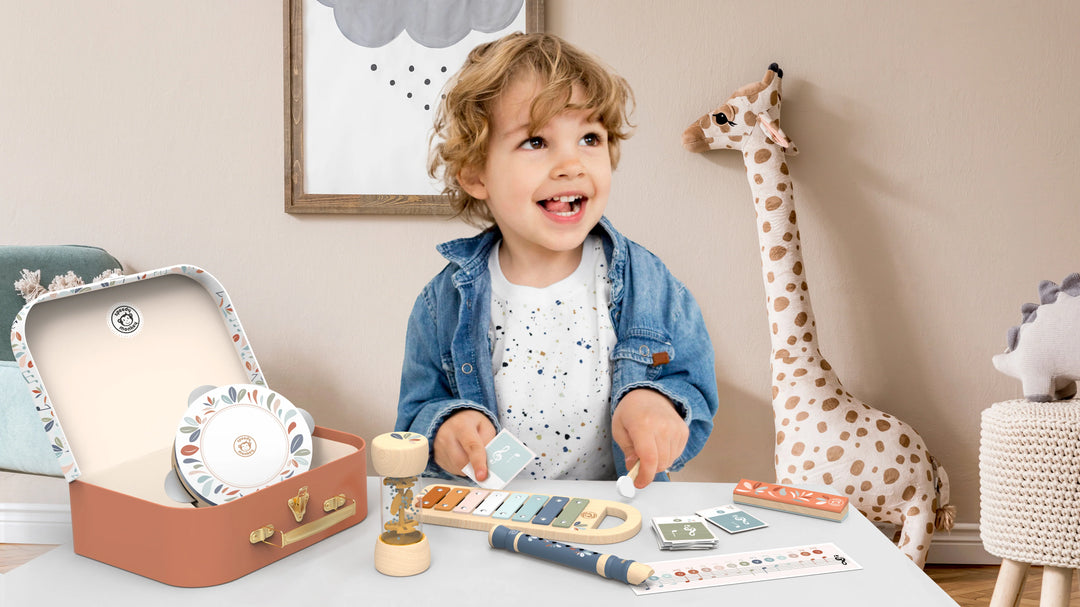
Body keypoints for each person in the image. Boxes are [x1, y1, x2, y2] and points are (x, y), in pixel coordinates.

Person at [396, 32, 717, 490]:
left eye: (589, 138)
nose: (571, 164)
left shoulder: (646, 283)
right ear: (475, 173)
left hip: (616, 515)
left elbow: (691, 385)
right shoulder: (443, 303)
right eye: (535, 141)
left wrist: (658, 404)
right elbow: (414, 418)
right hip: (494, 515)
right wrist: (445, 429)